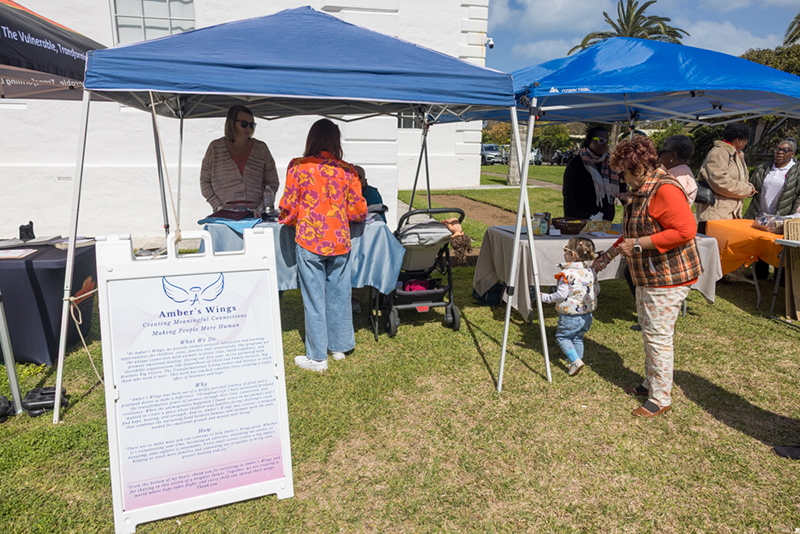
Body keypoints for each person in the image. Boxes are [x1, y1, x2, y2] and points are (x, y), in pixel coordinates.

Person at [594, 137, 702, 418]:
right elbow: (632, 230)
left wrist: (640, 244)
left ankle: (660, 397)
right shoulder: (644, 187)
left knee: (658, 336)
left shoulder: (664, 190)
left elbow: (685, 230)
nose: (622, 178)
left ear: (640, 167)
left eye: (624, 172)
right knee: (650, 328)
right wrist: (610, 254)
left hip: (668, 275)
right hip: (650, 275)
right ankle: (651, 381)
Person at [279, 119, 367, 372]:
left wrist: (287, 220)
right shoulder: (348, 170)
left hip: (309, 239)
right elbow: (358, 210)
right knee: (340, 295)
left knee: (314, 298)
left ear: (312, 139)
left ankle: (317, 357)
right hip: (339, 240)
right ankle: (339, 347)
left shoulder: (298, 166)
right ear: (335, 140)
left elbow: (288, 206)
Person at [200, 105, 280, 215]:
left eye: (252, 125)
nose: (248, 128)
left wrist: (261, 207)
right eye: (244, 124)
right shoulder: (215, 148)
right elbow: (205, 181)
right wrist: (218, 206)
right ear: (232, 123)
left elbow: (272, 182)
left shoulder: (261, 148)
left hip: (256, 214)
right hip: (224, 213)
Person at [541, 237, 599, 377]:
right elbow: (596, 290)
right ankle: (577, 359)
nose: (564, 253)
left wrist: (545, 297)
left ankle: (575, 361)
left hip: (570, 315)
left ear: (572, 255)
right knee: (578, 336)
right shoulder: (591, 272)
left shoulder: (566, 274)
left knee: (563, 337)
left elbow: (561, 294)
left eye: (565, 250)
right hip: (587, 314)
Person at [744, 138, 800, 279]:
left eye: (784, 150)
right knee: (761, 242)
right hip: (761, 212)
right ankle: (760, 273)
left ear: (792, 153)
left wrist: (795, 212)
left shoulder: (797, 171)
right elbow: (753, 184)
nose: (779, 152)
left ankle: (780, 277)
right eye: (777, 149)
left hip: (784, 213)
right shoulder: (765, 167)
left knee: (780, 245)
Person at [695, 123, 756, 231]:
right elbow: (721, 182)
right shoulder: (719, 153)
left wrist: (748, 186)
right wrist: (747, 189)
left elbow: (740, 178)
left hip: (727, 214)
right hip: (715, 215)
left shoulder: (736, 154)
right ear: (738, 140)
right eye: (745, 140)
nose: (746, 143)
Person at [562, 126, 623, 221]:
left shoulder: (611, 163)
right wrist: (569, 219)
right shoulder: (577, 163)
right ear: (590, 141)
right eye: (600, 140)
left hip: (605, 219)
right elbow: (569, 193)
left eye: (607, 141)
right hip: (582, 217)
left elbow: (622, 188)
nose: (604, 144)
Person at [658, 135, 697, 206]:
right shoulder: (682, 173)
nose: (660, 157)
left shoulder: (679, 178)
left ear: (673, 155)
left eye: (661, 153)